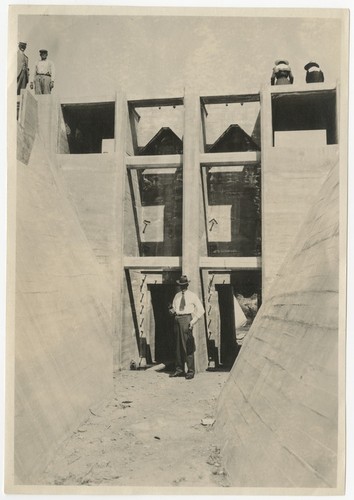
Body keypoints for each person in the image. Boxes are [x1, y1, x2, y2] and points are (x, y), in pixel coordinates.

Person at [169, 275, 205, 380]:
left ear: (187, 285)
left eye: (184, 285)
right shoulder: (176, 296)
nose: (182, 287)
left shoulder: (193, 296)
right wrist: (171, 311)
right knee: (178, 346)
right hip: (177, 319)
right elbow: (175, 309)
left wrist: (193, 321)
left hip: (187, 320)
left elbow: (201, 310)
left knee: (188, 346)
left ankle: (190, 371)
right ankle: (179, 370)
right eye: (181, 285)